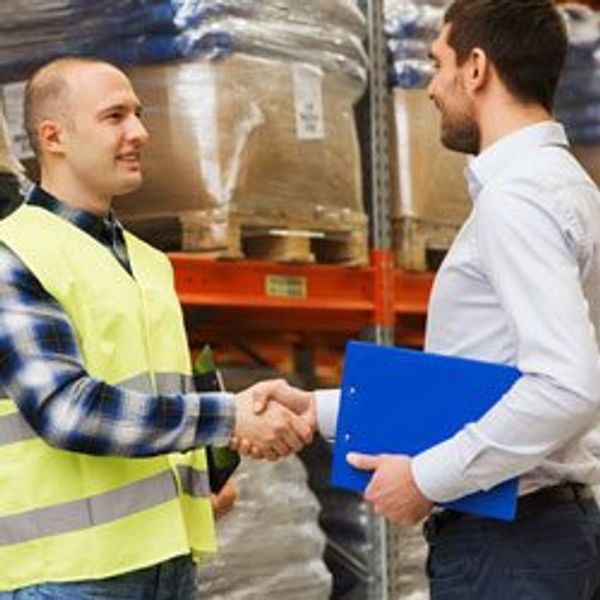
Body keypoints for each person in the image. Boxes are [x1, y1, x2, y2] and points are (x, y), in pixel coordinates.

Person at [248, 0, 600, 598]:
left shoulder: (516, 199)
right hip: (535, 540)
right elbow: (489, 379)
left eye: (438, 63)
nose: (432, 88)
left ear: (477, 68)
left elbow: (567, 385)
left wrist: (427, 478)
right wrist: (319, 410)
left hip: (511, 551)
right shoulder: (568, 188)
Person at [0, 56, 315, 600]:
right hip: (66, 578)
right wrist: (229, 414)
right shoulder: (13, 254)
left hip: (168, 566)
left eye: (139, 115)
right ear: (54, 137)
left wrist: (229, 443)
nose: (139, 133)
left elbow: (165, 407)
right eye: (115, 117)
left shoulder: (150, 263)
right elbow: (67, 410)